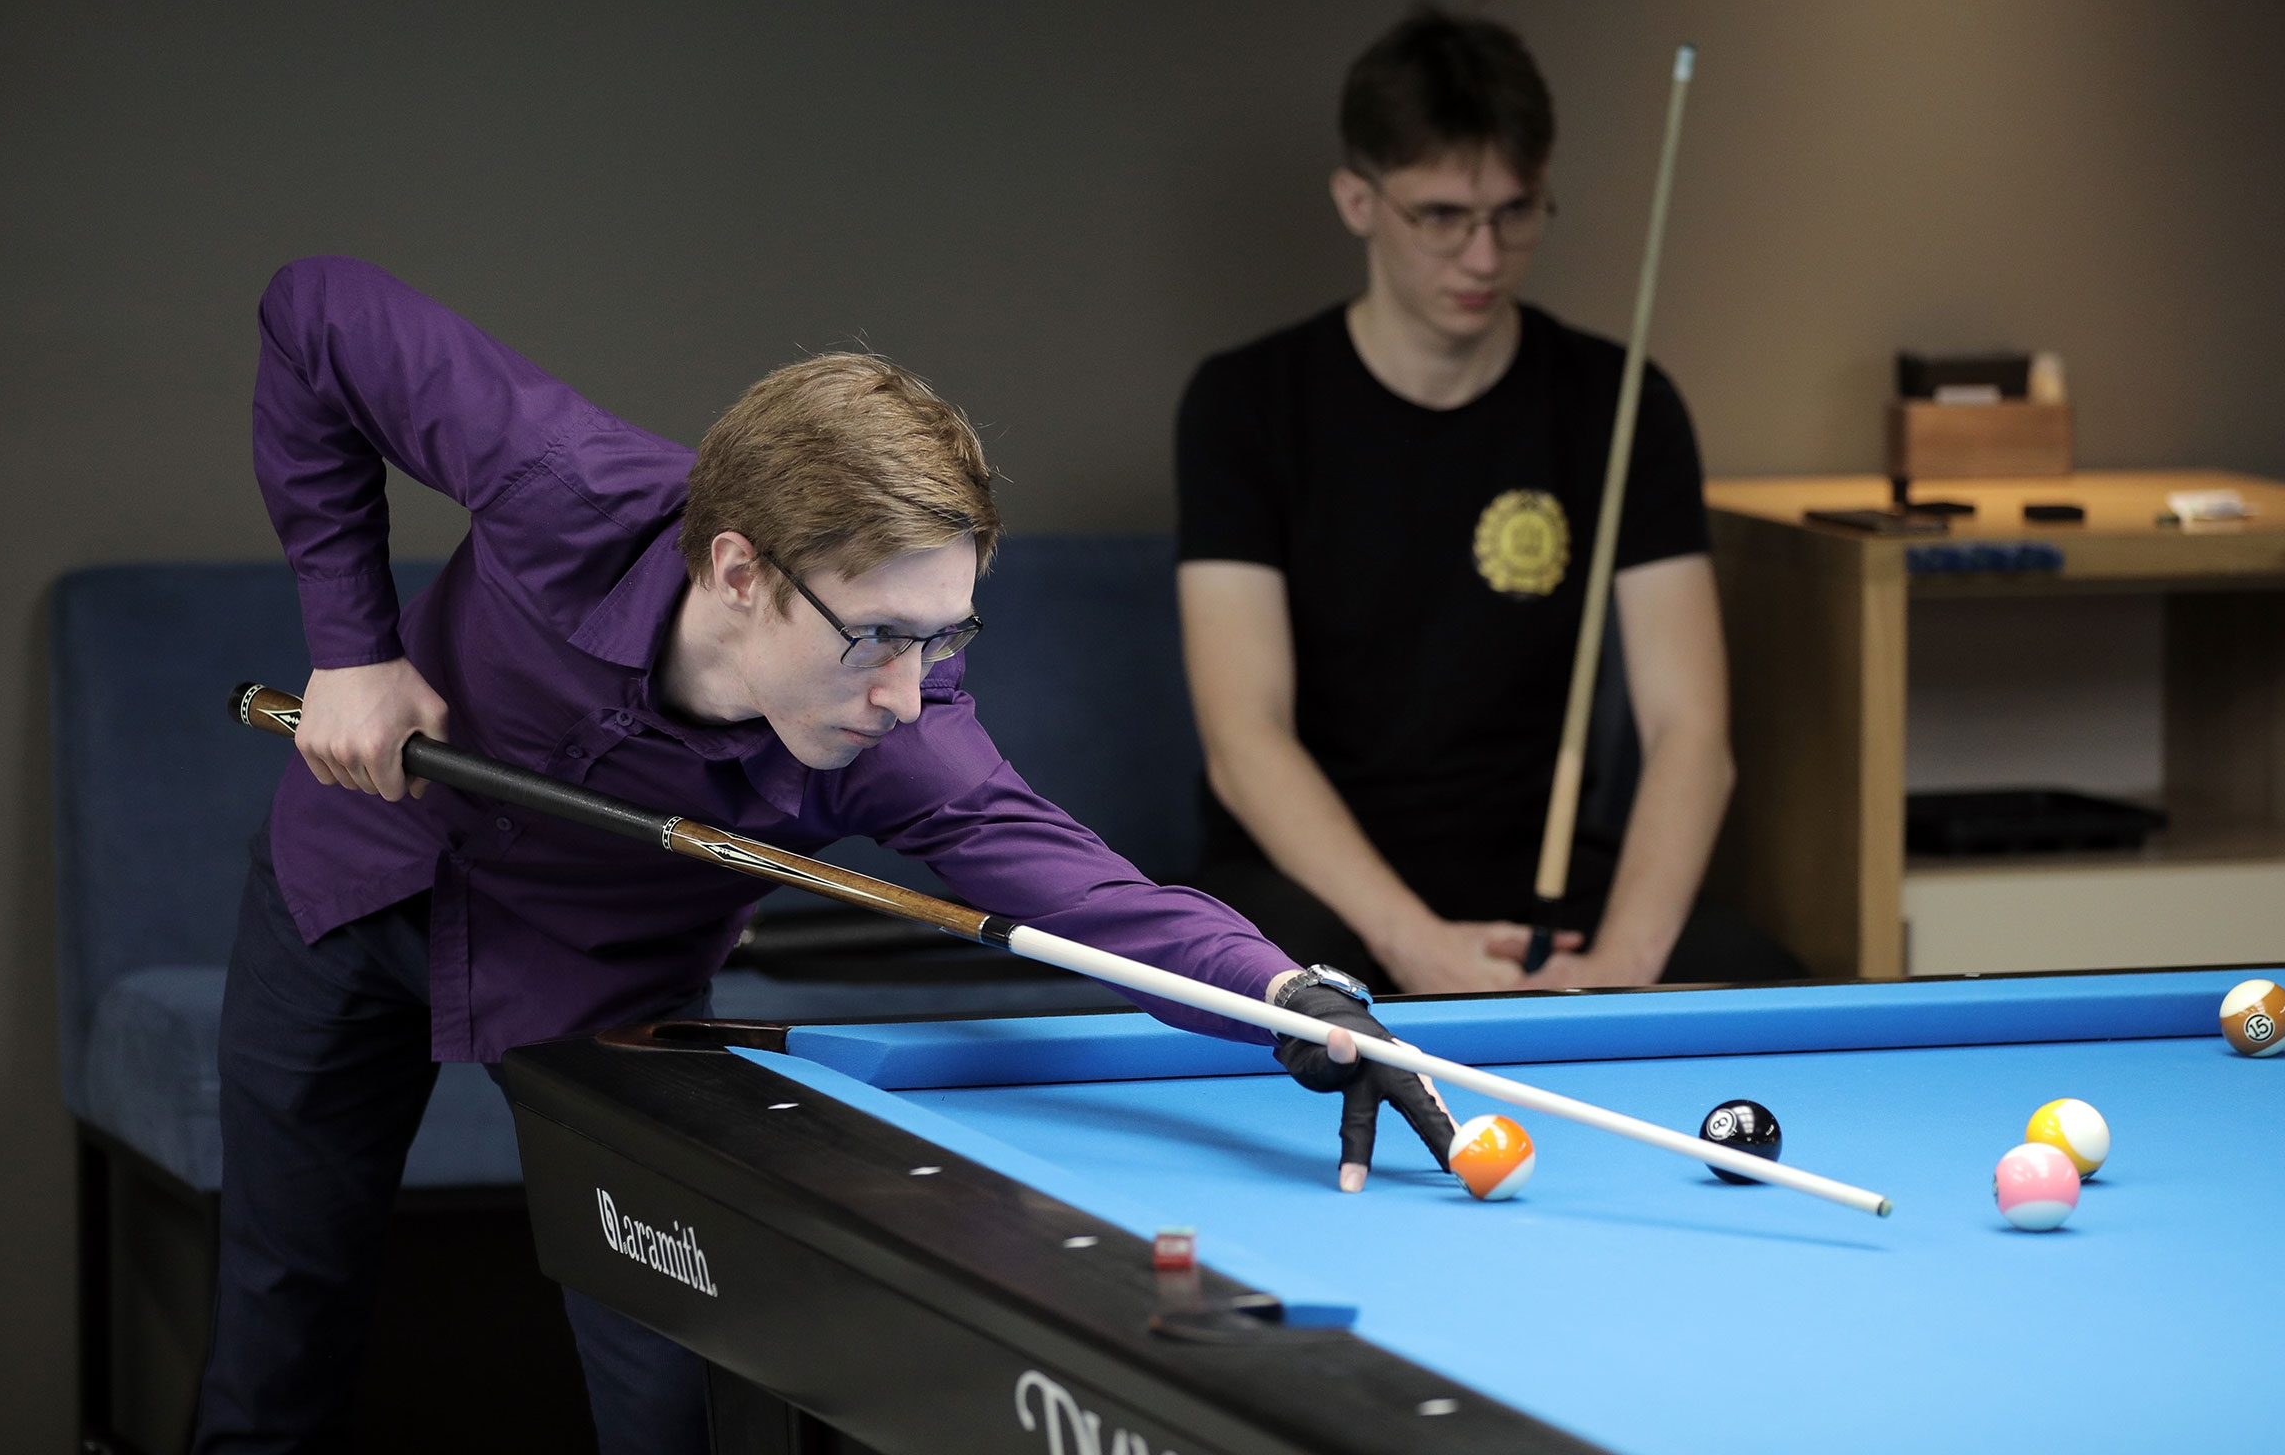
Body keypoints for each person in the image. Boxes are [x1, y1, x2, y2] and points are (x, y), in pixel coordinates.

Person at [199, 256, 1453, 1455]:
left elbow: (1086, 893)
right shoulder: (564, 485)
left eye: (945, 636)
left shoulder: (898, 738)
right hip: (356, 877)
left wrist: (1289, 997)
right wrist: (352, 646)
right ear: (739, 569)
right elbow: (316, 308)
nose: (908, 694)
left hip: (603, 990)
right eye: (878, 636)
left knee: (673, 1401)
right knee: (277, 1328)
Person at [1176, 5, 1803, 999]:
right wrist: (1419, 947)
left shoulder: (1620, 401)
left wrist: (1622, 969)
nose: (1483, 256)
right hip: (1309, 884)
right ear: (1357, 200)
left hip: (1542, 882)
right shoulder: (1246, 403)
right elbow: (1243, 741)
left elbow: (1689, 732)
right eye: (1442, 217)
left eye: (1516, 212)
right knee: (1301, 1002)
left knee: (1763, 986)